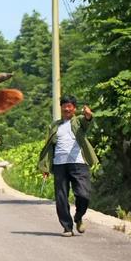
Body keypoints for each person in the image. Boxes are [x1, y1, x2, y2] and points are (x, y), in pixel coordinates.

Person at [38, 95, 98, 237]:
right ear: (61, 108)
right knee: (61, 197)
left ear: (74, 108)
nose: (67, 108)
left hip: (79, 163)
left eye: (69, 106)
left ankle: (78, 217)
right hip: (59, 165)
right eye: (64, 106)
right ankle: (67, 227)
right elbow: (48, 148)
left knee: (83, 194)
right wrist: (46, 168)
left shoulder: (78, 121)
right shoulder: (54, 126)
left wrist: (89, 115)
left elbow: (87, 121)